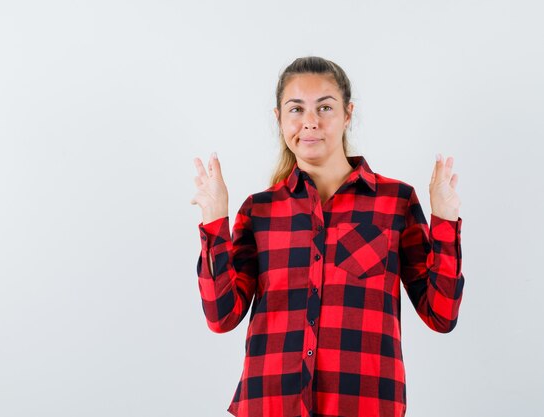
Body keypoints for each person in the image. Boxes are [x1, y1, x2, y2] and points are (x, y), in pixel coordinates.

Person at [190, 56, 464, 417]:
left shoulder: (395, 202)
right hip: (269, 406)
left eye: (325, 107)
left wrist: (444, 218)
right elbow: (221, 317)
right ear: (279, 119)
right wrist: (214, 221)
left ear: (348, 114)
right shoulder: (259, 211)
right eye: (296, 109)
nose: (310, 122)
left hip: (363, 406)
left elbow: (441, 314)